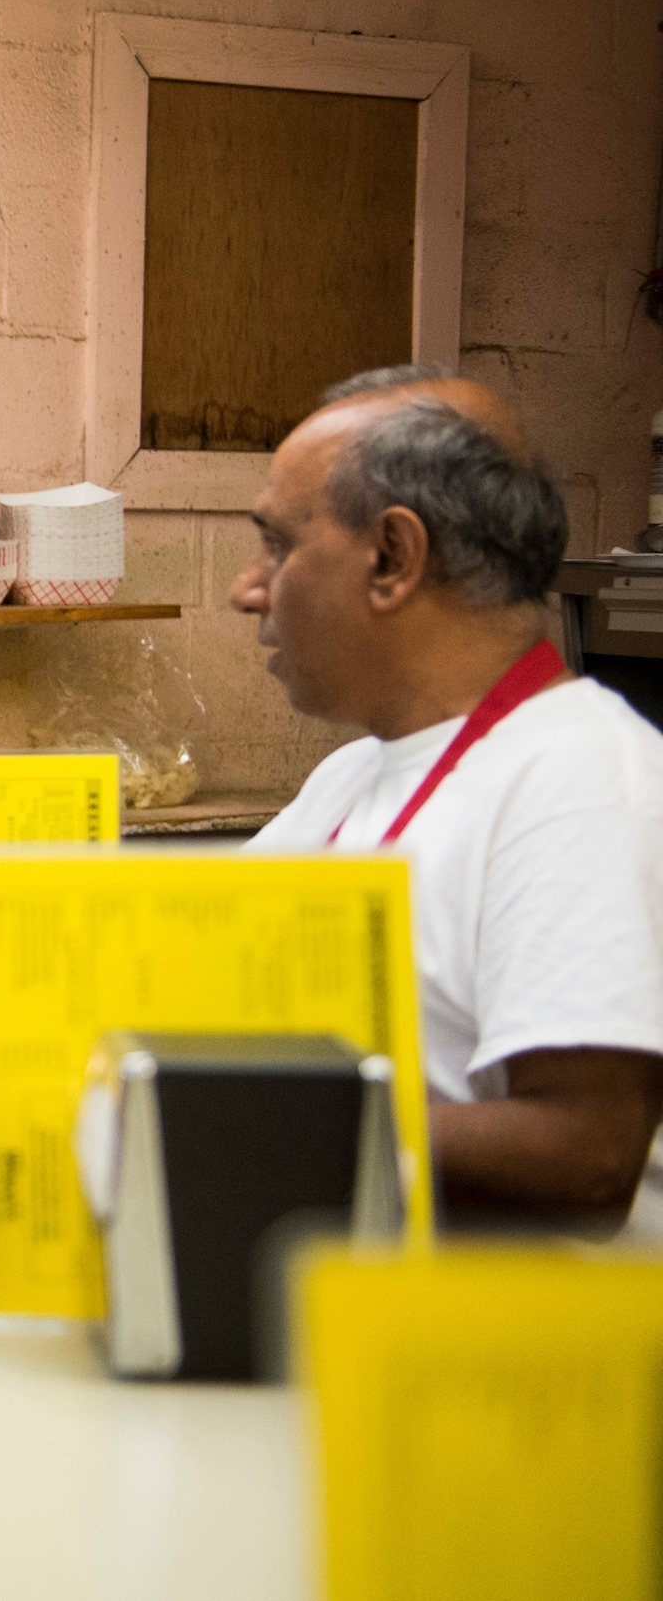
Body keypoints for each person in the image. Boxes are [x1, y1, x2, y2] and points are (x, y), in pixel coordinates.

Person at [239, 365, 663, 1237]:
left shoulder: (581, 782)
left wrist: (236, 1117)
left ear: (394, 557)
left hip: (488, 1342)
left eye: (279, 547)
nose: (248, 589)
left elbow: (586, 1156)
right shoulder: (352, 776)